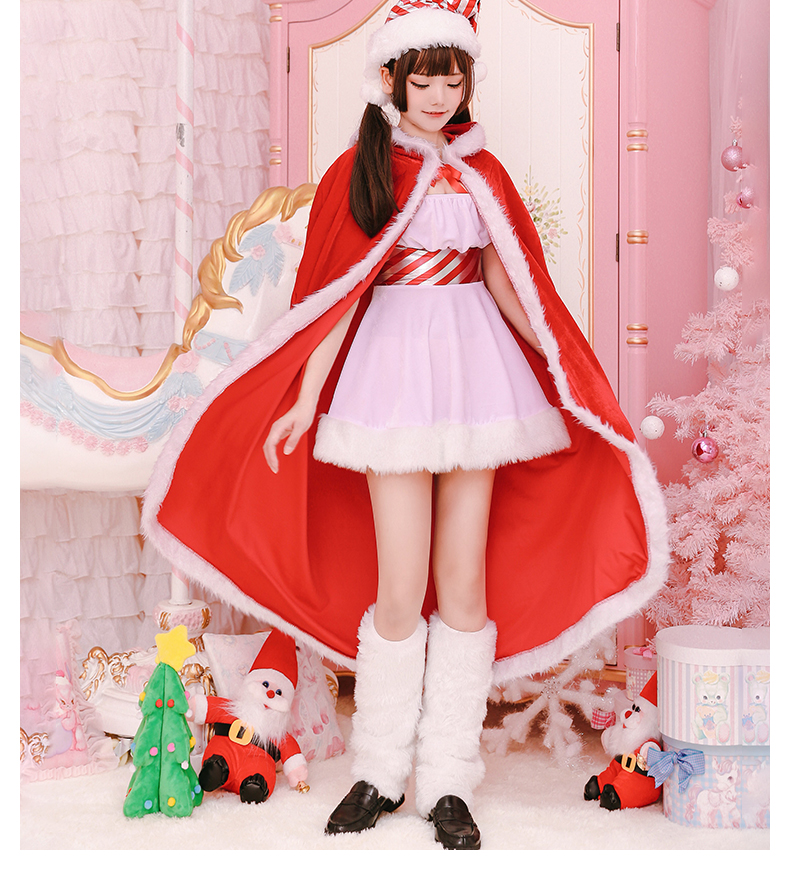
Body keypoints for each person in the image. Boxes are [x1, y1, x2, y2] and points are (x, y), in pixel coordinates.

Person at [143, 0, 668, 851]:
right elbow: (335, 295)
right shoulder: (365, 169)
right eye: (423, 78)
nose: (438, 94)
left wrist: (564, 366)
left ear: (466, 82)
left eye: (451, 78)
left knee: (463, 587)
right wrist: (307, 398)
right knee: (398, 590)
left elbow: (509, 282)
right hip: (390, 380)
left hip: (478, 377)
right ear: (391, 79)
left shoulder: (483, 172)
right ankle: (380, 769)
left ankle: (449, 777)